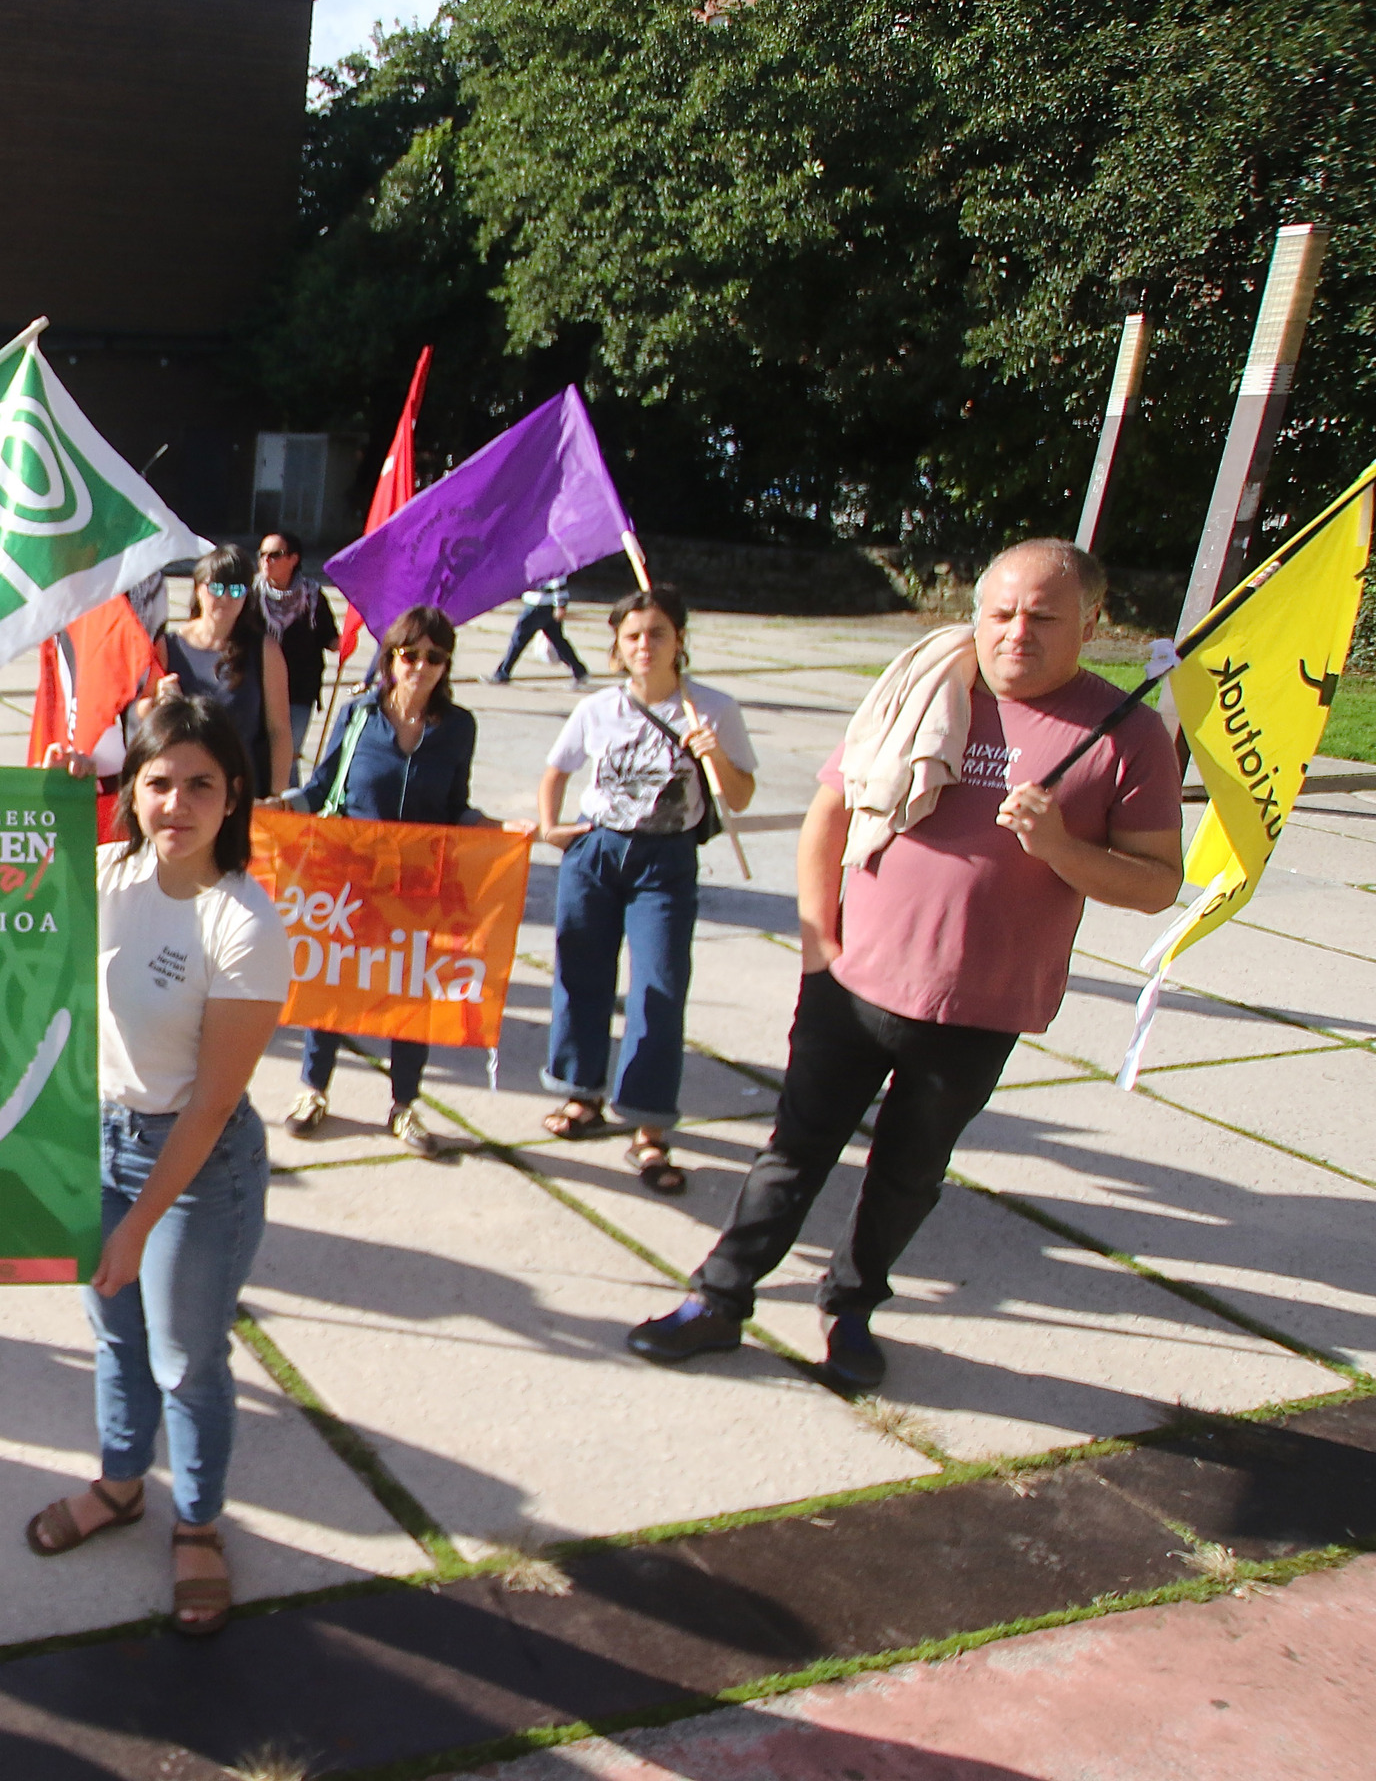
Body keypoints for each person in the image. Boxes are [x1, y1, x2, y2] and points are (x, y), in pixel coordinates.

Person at [631, 540, 1181, 1386]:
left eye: (1043, 617)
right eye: (999, 613)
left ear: (1092, 622)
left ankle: (850, 1309)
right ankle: (719, 1299)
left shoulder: (1128, 733)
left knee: (908, 1174)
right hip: (852, 985)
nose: (1016, 634)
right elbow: (828, 817)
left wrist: (1062, 848)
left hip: (982, 1006)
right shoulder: (922, 688)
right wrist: (819, 945)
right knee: (793, 1151)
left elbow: (1154, 886)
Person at [24, 691, 289, 1639]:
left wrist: (139, 1223)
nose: (176, 804)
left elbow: (214, 1102)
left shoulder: (243, 924)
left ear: (233, 797)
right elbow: (6, 908)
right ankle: (122, 1485)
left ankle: (200, 1526)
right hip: (96, 1142)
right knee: (114, 1338)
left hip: (195, 1164)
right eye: (158, 782)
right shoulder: (104, 875)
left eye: (199, 786)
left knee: (185, 1360)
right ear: (130, 791)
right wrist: (49, 810)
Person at [533, 586, 758, 1195]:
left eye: (657, 633)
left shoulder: (711, 709)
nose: (644, 645)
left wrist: (717, 757)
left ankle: (649, 1122)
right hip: (597, 852)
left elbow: (739, 798)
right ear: (617, 647)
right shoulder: (597, 710)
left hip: (666, 860)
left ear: (679, 641)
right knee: (581, 975)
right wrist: (554, 828)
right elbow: (557, 768)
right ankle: (581, 1094)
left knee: (657, 987)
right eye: (632, 636)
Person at [277, 605, 502, 1158]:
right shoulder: (357, 715)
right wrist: (273, 806)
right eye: (410, 654)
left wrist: (499, 830)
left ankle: (404, 1105)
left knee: (412, 993)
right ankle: (314, 1090)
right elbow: (323, 788)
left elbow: (454, 807)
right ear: (390, 658)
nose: (420, 666)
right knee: (332, 984)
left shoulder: (458, 728)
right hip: (350, 878)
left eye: (434, 657)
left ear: (446, 665)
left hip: (419, 882)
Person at [152, 544, 295, 799]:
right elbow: (141, 713)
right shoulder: (168, 646)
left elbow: (279, 730)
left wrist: (276, 794)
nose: (226, 598)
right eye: (216, 588)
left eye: (236, 590)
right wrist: (160, 702)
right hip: (183, 788)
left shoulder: (265, 650)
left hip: (240, 789)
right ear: (197, 589)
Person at [257, 532, 340, 754]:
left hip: (299, 691)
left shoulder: (312, 596)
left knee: (289, 754)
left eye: (275, 555)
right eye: (262, 554)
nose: (266, 561)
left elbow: (330, 638)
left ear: (293, 559)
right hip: (257, 688)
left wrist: (348, 637)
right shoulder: (251, 595)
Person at [489, 577, 589, 689]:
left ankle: (503, 673)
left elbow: (558, 580)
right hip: (543, 604)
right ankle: (579, 670)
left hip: (538, 605)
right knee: (558, 641)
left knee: (518, 640)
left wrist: (561, 605)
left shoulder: (550, 561)